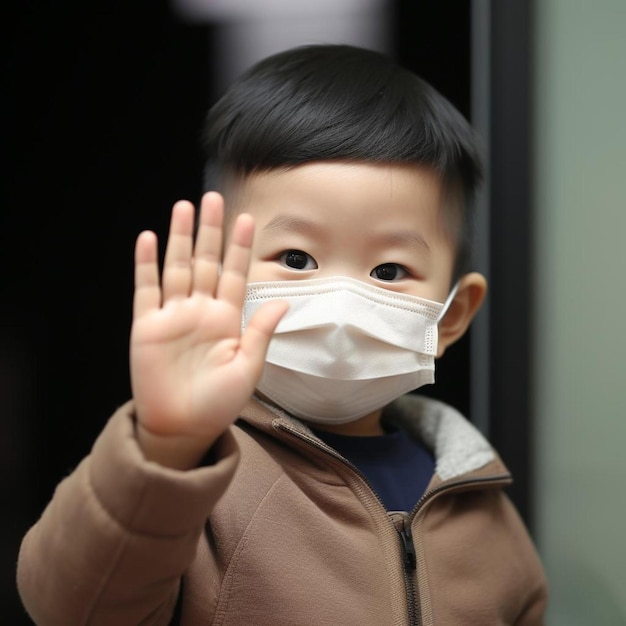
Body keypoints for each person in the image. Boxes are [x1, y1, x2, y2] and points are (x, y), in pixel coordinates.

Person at [17, 44, 548, 625]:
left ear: (451, 314)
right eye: (295, 258)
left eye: (389, 272)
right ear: (219, 276)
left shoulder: (480, 503)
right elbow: (72, 606)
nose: (341, 306)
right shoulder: (190, 480)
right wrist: (163, 449)